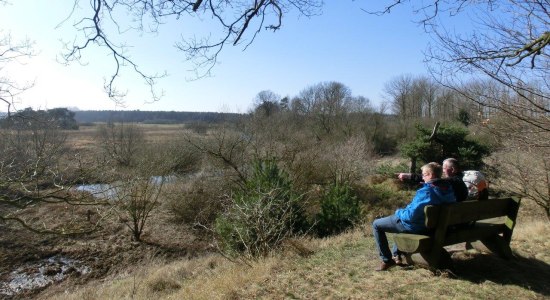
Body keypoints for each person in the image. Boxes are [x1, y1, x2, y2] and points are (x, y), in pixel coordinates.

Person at [373, 162, 456, 271]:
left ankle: (387, 260)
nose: (422, 177)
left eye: (424, 175)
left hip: (416, 226)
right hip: (433, 227)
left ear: (430, 175)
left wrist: (399, 212)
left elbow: (410, 216)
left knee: (376, 224)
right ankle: (396, 254)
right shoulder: (448, 190)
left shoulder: (427, 192)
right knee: (399, 222)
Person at [397, 158, 468, 202]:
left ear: (452, 170)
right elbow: (434, 179)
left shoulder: (450, 182)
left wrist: (428, 183)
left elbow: (434, 180)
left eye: (444, 168)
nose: (442, 171)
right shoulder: (459, 182)